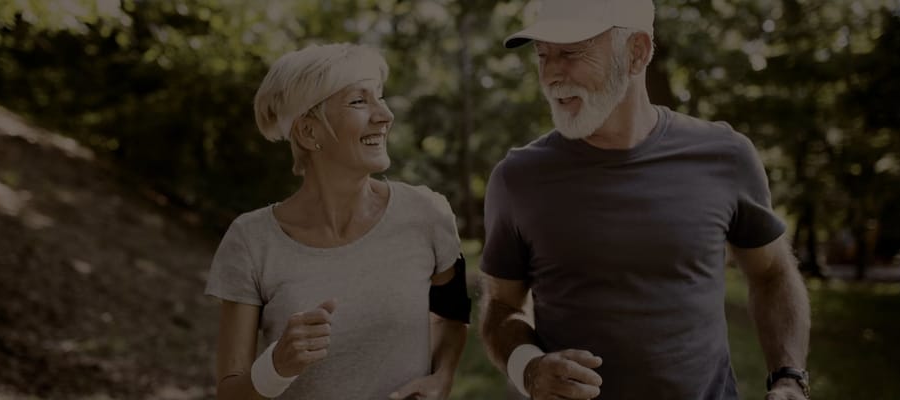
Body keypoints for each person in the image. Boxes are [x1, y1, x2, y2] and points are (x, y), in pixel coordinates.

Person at [478, 1, 811, 399]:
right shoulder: (517, 178)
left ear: (637, 52)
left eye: (569, 52)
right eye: (542, 54)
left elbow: (772, 274)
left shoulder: (726, 156)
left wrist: (789, 377)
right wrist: (527, 369)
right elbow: (501, 306)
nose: (550, 73)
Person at [204, 43, 469, 400]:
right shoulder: (251, 240)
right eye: (359, 102)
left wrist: (442, 378)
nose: (385, 115)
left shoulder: (428, 213)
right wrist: (275, 367)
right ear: (309, 133)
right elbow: (230, 393)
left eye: (379, 97)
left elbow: (452, 312)